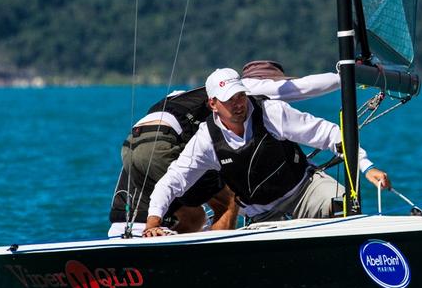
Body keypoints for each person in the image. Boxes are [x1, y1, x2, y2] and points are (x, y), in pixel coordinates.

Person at [109, 61, 345, 237]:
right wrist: (346, 75)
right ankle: (218, 259)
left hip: (133, 143)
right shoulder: (250, 88)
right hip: (165, 143)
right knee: (230, 200)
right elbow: (304, 88)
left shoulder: (191, 94)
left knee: (192, 214)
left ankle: (148, 236)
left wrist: (153, 223)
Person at [144, 68, 390, 234]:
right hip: (260, 213)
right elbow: (172, 181)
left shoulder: (272, 112)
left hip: (303, 189)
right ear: (213, 104)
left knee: (340, 201)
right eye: (230, 99)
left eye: (240, 95)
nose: (239, 104)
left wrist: (366, 165)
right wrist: (153, 222)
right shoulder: (206, 139)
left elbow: (329, 134)